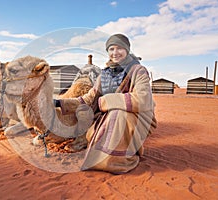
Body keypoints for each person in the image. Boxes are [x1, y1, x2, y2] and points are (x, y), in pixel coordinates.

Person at [54, 33, 157, 174]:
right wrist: (59, 102)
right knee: (98, 116)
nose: (115, 53)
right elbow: (88, 99)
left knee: (119, 114)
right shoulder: (104, 75)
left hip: (137, 117)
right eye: (111, 49)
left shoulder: (138, 71)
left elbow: (143, 99)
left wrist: (107, 101)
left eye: (119, 48)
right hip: (108, 118)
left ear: (127, 50)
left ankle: (117, 161)